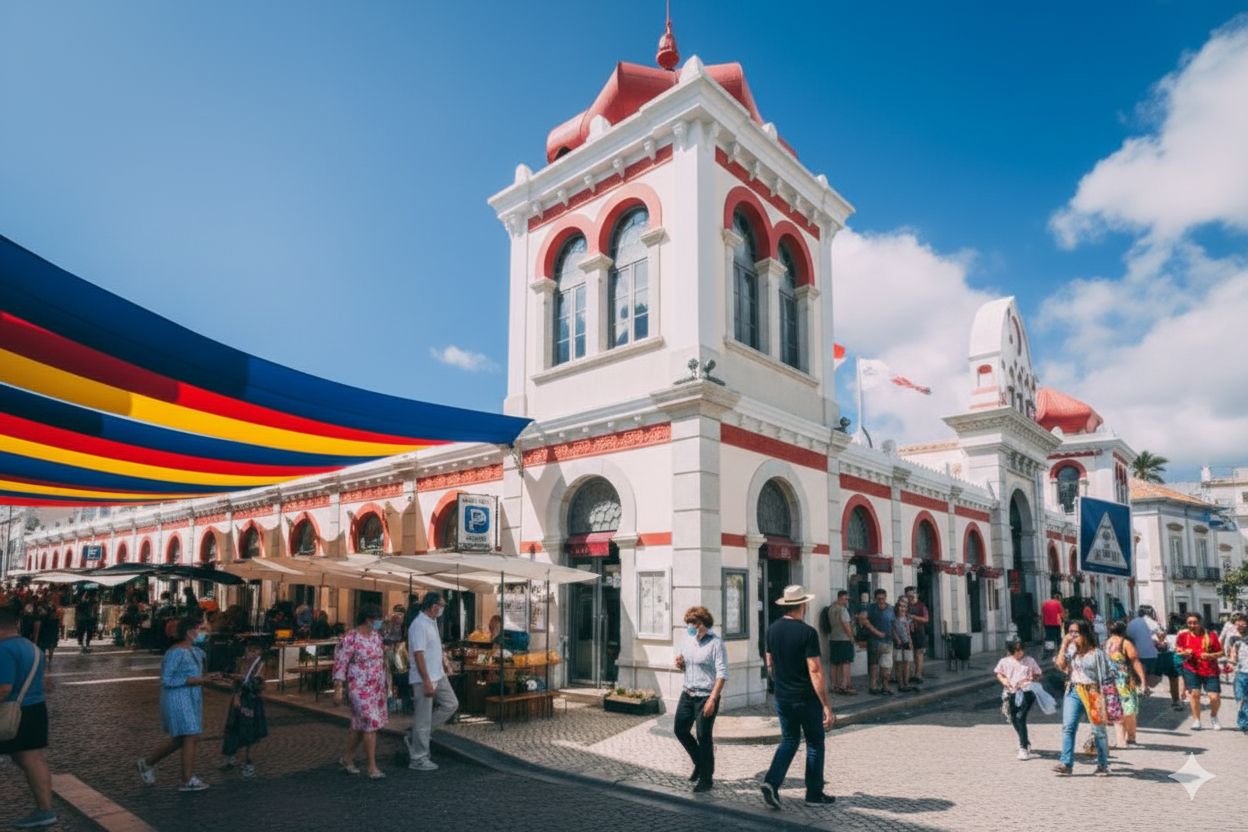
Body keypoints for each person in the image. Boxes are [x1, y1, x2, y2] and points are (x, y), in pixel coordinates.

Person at [760, 585, 835, 810]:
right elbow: (815, 671)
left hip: (783, 697)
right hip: (805, 697)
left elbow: (770, 662)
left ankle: (771, 782)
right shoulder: (807, 632)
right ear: (803, 605)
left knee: (789, 740)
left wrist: (782, 683)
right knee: (814, 743)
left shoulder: (772, 629)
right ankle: (814, 793)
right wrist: (827, 705)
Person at [137, 618, 222, 791]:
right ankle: (186, 780)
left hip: (191, 697)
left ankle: (147, 764)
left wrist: (209, 678)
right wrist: (199, 680)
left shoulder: (194, 651)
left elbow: (196, 674)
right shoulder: (176, 652)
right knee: (190, 736)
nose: (203, 633)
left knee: (183, 738)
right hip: (178, 697)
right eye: (200, 629)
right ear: (189, 631)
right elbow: (167, 679)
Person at [0, 605, 57, 828]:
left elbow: (4, 688)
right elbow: (44, 682)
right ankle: (45, 810)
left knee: (27, 758)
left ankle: (45, 811)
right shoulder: (31, 647)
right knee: (29, 757)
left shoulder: (3, 649)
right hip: (35, 708)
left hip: (12, 712)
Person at [672, 606, 728, 793]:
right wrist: (680, 664)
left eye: (694, 623)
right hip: (688, 693)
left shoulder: (716, 643)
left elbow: (722, 674)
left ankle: (706, 779)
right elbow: (684, 665)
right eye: (689, 623)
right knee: (680, 729)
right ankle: (699, 762)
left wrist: (713, 699)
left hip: (706, 695)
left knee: (703, 736)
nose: (690, 627)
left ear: (703, 624)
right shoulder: (687, 640)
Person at [332, 603, 388, 778]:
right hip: (359, 687)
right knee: (371, 724)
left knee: (358, 725)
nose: (379, 622)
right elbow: (340, 664)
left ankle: (347, 758)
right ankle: (372, 767)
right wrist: (338, 689)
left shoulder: (376, 637)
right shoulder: (349, 638)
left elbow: (381, 660)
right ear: (368, 619)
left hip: (376, 687)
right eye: (377, 619)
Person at [1053, 619, 1112, 777]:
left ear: (1085, 634)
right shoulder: (1071, 650)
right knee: (1068, 727)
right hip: (1073, 690)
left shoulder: (1097, 654)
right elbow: (1060, 665)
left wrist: (1106, 698)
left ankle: (1102, 764)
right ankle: (1066, 763)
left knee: (1098, 729)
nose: (1072, 636)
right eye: (1069, 632)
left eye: (1075, 633)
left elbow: (1107, 675)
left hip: (1093, 691)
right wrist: (1064, 645)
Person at [406, 592, 457, 771]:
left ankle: (417, 736)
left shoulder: (433, 622)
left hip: (438, 675)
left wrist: (444, 665)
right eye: (441, 605)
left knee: (451, 704)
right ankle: (418, 758)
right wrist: (426, 680)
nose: (442, 609)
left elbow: (436, 647)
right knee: (423, 719)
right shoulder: (419, 624)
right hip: (424, 678)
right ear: (433, 605)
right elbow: (418, 654)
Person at [220, 640, 268, 776]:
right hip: (240, 699)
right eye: (249, 650)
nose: (251, 653)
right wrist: (236, 694)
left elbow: (259, 684)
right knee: (233, 728)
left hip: (252, 700)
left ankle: (248, 761)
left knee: (250, 732)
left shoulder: (260, 665)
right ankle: (230, 756)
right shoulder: (240, 662)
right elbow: (236, 682)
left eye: (255, 650)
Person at [994, 638, 1043, 760]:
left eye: (1021, 650)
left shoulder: (1029, 661)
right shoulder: (1004, 662)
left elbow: (1039, 674)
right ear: (1011, 651)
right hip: (1012, 691)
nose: (1020, 653)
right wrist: (1004, 681)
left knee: (1021, 716)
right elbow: (999, 673)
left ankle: (1023, 747)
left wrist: (1034, 677)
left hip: (1027, 691)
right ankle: (1025, 740)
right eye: (1016, 650)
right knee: (1013, 717)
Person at [1175, 613, 1223, 731]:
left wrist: (1209, 655)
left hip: (1210, 669)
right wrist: (1185, 653)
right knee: (1195, 694)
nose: (1192, 625)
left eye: (1195, 622)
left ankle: (1214, 715)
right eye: (1190, 623)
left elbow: (1220, 653)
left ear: (1200, 622)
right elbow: (1178, 650)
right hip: (1191, 668)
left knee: (1214, 697)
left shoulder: (1210, 635)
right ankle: (1196, 720)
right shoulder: (1183, 636)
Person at [1103, 620, 1148, 747]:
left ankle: (1121, 739)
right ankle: (1130, 738)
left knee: (1116, 709)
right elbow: (1135, 662)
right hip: (1125, 681)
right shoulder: (1126, 643)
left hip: (1110, 681)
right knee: (1129, 709)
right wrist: (1143, 681)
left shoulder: (1106, 644)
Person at [864, 589, 895, 695]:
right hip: (874, 641)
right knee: (874, 665)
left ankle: (885, 687)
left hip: (888, 641)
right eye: (878, 599)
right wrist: (875, 631)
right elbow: (863, 619)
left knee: (886, 667)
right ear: (875, 599)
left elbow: (894, 624)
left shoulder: (891, 609)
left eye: (882, 598)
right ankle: (872, 686)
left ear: (885, 598)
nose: (880, 601)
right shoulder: (871, 608)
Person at [826, 591, 856, 695]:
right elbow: (845, 625)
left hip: (834, 638)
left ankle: (835, 685)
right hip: (844, 639)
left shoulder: (831, 608)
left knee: (835, 662)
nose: (846, 601)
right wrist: (851, 636)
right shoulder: (843, 610)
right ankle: (845, 685)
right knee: (846, 662)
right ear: (840, 598)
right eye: (845, 599)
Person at [1125, 607, 1162, 681]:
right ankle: (1146, 687)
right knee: (1149, 676)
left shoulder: (1131, 623)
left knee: (1139, 675)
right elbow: (1161, 634)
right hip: (1151, 654)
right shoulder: (1152, 622)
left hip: (1137, 654)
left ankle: (1143, 687)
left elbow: (1128, 637)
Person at [1157, 614, 1185, 710]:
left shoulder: (1165, 635)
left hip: (1169, 657)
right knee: (1182, 678)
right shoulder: (1182, 634)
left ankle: (1175, 700)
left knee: (1172, 680)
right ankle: (1182, 698)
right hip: (1179, 656)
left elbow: (1162, 647)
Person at [1226, 615, 1248, 734]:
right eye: (1237, 624)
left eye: (1242, 623)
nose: (1239, 626)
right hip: (1241, 674)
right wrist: (1230, 662)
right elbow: (1232, 656)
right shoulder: (1233, 639)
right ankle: (1243, 723)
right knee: (1241, 698)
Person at [904, 587, 929, 683]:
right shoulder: (905, 606)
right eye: (908, 594)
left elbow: (926, 619)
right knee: (909, 654)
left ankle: (918, 675)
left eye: (912, 594)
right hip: (907, 632)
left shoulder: (921, 606)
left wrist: (915, 617)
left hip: (918, 631)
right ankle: (908, 675)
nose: (910, 596)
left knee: (918, 653)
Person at [892, 599, 915, 692]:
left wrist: (910, 641)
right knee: (898, 663)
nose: (902, 608)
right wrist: (896, 638)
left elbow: (909, 630)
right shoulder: (894, 617)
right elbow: (892, 628)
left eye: (904, 607)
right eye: (900, 606)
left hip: (906, 640)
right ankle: (900, 683)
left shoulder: (907, 617)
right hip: (897, 641)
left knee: (906, 662)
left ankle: (906, 682)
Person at [1041, 592, 1065, 659]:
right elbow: (1062, 614)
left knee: (1049, 638)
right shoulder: (1058, 603)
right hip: (1056, 623)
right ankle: (1059, 652)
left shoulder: (1044, 604)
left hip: (1047, 623)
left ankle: (1049, 652)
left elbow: (1043, 614)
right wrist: (1062, 620)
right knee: (1058, 638)